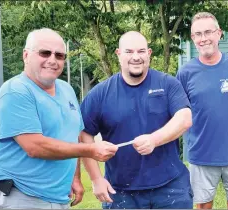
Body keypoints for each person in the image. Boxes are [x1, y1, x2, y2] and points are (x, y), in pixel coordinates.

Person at [0, 28, 118, 209]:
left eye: (59, 55)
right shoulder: (16, 91)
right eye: (45, 53)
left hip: (57, 196)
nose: (52, 60)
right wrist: (91, 149)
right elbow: (35, 146)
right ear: (26, 55)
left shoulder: (66, 89)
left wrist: (75, 178)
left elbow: (73, 135)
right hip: (20, 194)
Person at [80, 31, 193, 209]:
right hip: (121, 192)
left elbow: (184, 118)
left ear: (149, 54)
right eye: (129, 52)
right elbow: (84, 133)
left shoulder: (168, 84)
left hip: (171, 187)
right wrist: (95, 179)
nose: (136, 57)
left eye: (141, 51)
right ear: (118, 54)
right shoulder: (100, 94)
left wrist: (154, 140)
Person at [176, 12, 228, 209]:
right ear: (193, 38)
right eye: (198, 34)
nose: (203, 38)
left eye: (208, 32)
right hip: (201, 155)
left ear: (219, 33)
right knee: (203, 206)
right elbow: (180, 113)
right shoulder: (185, 73)